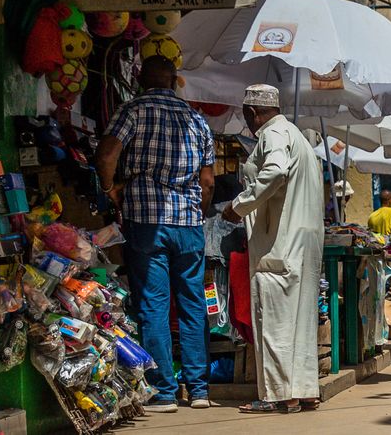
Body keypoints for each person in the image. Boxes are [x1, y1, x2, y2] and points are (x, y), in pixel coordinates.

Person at [94, 56, 215, 413]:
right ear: (175, 81)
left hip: (146, 221)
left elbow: (106, 155)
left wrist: (110, 189)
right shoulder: (197, 119)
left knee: (153, 306)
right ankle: (199, 390)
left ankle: (164, 392)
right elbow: (208, 181)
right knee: (194, 307)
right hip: (189, 224)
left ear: (140, 80)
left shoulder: (131, 110)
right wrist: (198, 212)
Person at [225, 84, 324, 414]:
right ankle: (304, 390)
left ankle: (278, 395)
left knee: (275, 320)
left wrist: (238, 205)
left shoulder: (272, 134)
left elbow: (276, 171)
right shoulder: (298, 137)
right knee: (300, 320)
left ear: (252, 113)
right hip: (301, 242)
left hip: (280, 244)